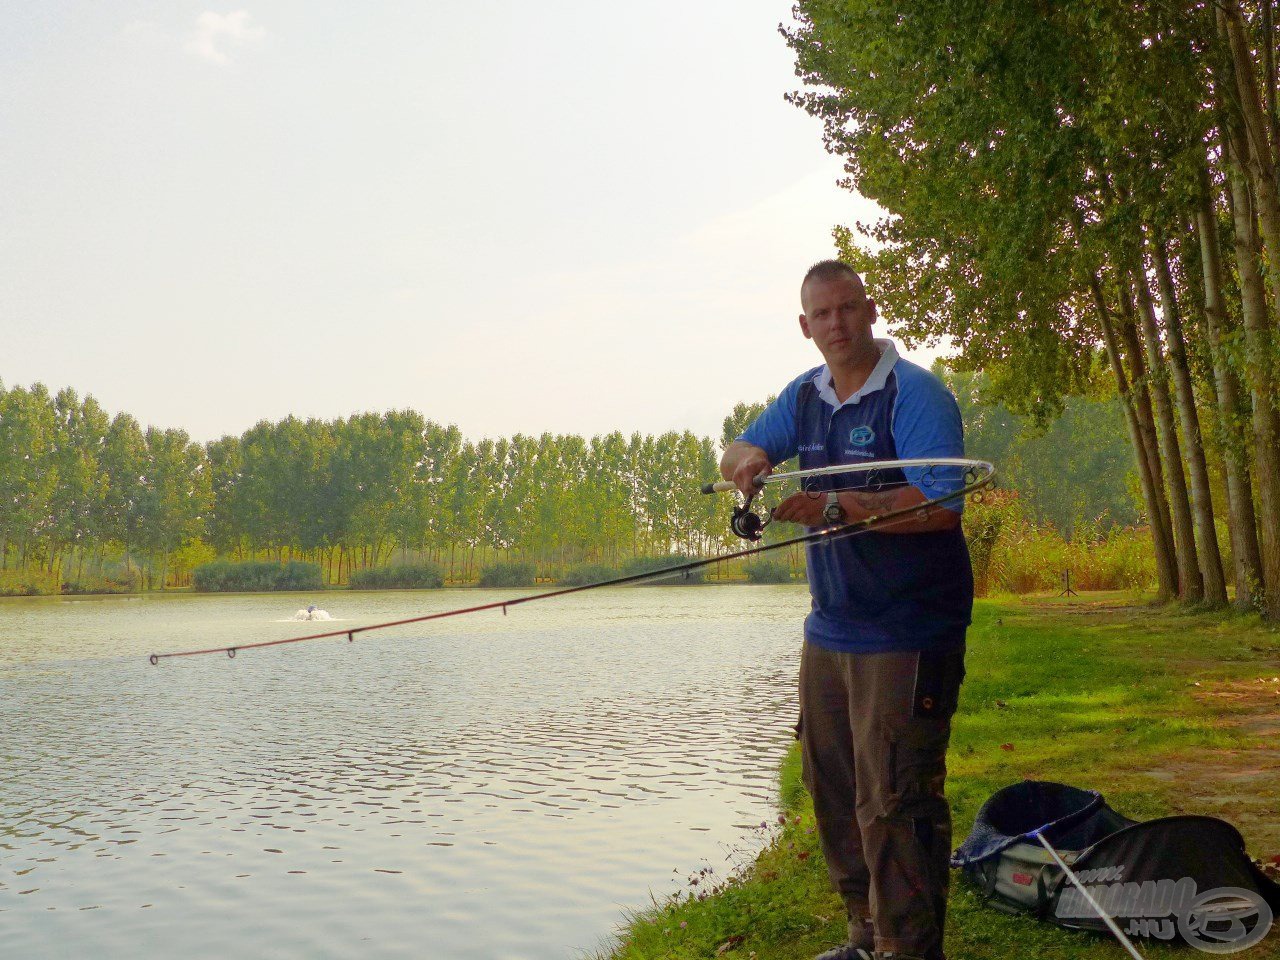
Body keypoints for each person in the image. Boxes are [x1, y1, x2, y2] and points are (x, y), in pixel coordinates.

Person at [720, 261, 972, 960]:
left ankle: (908, 946)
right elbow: (739, 446)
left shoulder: (914, 395)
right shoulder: (804, 397)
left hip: (908, 628)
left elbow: (939, 507)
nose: (837, 324)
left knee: (895, 797)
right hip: (830, 628)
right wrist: (745, 463)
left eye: (848, 309)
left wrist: (835, 506)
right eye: (822, 315)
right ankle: (863, 934)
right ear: (806, 327)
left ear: (870, 309)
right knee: (830, 789)